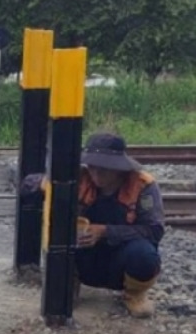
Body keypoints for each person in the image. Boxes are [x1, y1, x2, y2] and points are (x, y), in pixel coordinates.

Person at [19, 132, 164, 318]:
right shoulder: (79, 178)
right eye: (92, 167)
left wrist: (104, 231)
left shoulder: (143, 186)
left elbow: (153, 230)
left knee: (145, 255)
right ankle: (68, 284)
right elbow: (27, 185)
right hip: (82, 256)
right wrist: (46, 183)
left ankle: (134, 294)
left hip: (121, 258)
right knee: (59, 236)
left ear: (119, 168)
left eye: (104, 168)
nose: (96, 173)